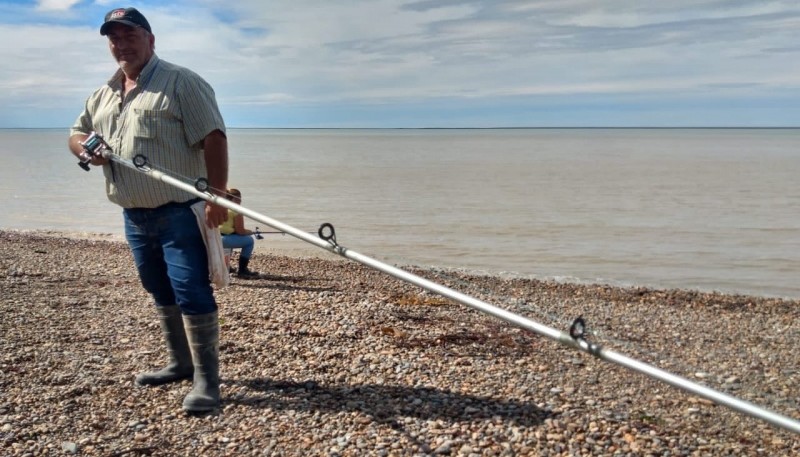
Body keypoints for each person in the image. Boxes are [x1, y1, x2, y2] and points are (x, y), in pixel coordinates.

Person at [67, 7, 227, 413]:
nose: (121, 44)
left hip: (180, 211)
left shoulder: (181, 82)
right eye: (114, 38)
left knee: (191, 289)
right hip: (134, 216)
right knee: (157, 287)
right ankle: (180, 363)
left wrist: (218, 196)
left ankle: (208, 381)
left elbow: (214, 136)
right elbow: (76, 132)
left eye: (130, 35)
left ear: (150, 39)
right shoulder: (103, 93)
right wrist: (86, 148)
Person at [219, 188, 259, 278]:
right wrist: (250, 232)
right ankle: (242, 270)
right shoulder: (236, 210)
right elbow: (240, 231)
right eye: (237, 199)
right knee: (249, 241)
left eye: (240, 199)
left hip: (213, 237)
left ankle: (227, 267)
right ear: (231, 199)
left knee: (232, 237)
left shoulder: (219, 206)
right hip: (224, 240)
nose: (239, 201)